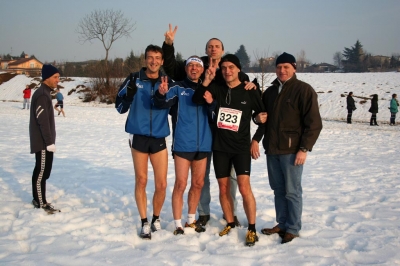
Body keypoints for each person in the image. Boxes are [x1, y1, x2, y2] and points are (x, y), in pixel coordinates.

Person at [162, 24, 256, 227]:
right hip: (202, 134)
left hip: (225, 133)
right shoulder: (199, 66)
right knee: (201, 177)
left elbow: (242, 79)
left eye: (217, 46)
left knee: (230, 178)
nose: (213, 49)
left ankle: (230, 213)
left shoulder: (228, 67)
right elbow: (172, 68)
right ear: (206, 51)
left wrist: (251, 83)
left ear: (222, 50)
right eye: (210, 46)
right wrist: (169, 45)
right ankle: (202, 212)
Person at [192, 54, 266, 247]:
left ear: (239, 69)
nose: (227, 71)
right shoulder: (218, 88)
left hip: (241, 148)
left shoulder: (250, 90)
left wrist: (256, 139)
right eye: (224, 68)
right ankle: (230, 223)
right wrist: (207, 80)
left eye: (231, 67)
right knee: (223, 188)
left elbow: (264, 118)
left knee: (244, 188)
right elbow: (197, 98)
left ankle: (251, 228)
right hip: (220, 148)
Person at [252, 52, 322, 244]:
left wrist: (304, 148)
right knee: (278, 190)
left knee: (292, 191)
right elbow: (262, 117)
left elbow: (314, 124)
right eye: (279, 67)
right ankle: (282, 223)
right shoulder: (271, 92)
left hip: (292, 151)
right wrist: (256, 126)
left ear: (294, 68)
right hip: (272, 150)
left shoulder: (304, 90)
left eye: (286, 67)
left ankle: (292, 228)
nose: (282, 71)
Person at [115, 45, 170, 240]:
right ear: (145, 59)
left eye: (157, 58)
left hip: (159, 137)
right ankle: (144, 221)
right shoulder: (133, 79)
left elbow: (174, 105)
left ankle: (156, 217)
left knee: (162, 184)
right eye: (150, 57)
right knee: (142, 180)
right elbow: (119, 107)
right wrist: (128, 96)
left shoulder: (168, 81)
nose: (153, 61)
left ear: (162, 61)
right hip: (138, 136)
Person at [154, 55, 213, 235]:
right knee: (181, 183)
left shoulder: (209, 88)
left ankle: (191, 219)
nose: (194, 69)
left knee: (198, 183)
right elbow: (161, 104)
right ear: (186, 69)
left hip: (203, 143)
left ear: (202, 70)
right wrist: (160, 93)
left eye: (197, 66)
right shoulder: (177, 87)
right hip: (182, 144)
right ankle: (178, 223)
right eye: (190, 66)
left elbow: (216, 110)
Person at [29, 64, 61, 214]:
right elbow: (42, 122)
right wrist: (49, 142)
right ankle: (40, 202)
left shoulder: (45, 93)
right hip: (42, 142)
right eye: (55, 77)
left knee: (44, 172)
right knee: (42, 172)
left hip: (46, 142)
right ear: (47, 78)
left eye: (58, 77)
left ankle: (39, 199)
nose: (57, 80)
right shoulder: (42, 94)